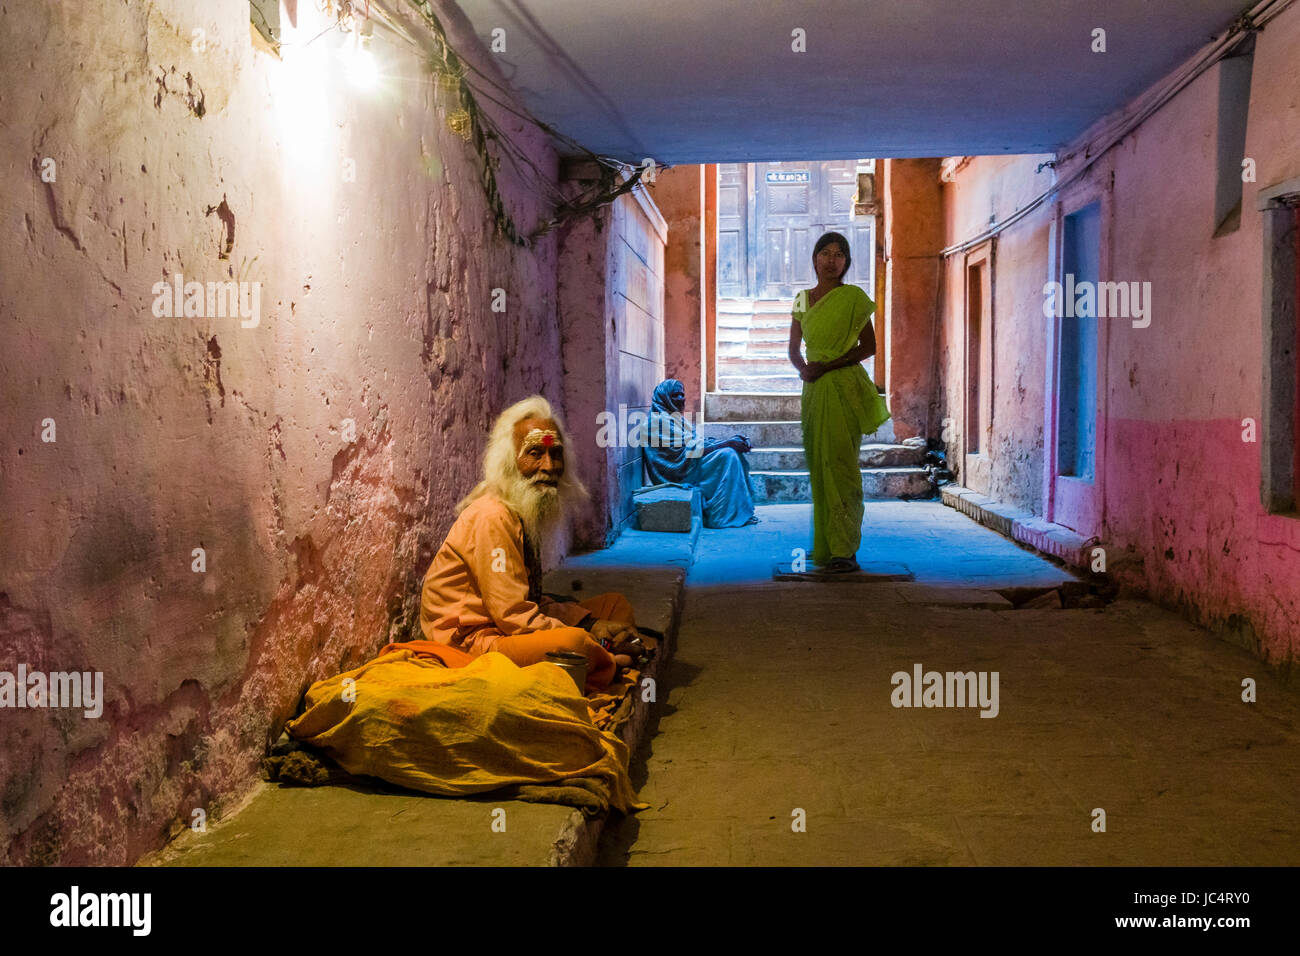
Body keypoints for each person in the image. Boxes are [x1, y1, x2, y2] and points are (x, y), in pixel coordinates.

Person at [418, 395, 648, 692]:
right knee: (574, 642)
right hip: (474, 644)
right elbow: (514, 617)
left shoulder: (522, 511)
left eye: (556, 454)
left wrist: (590, 622)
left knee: (614, 606)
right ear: (509, 461)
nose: (549, 466)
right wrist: (589, 635)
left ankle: (603, 662)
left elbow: (532, 602)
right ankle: (605, 660)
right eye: (535, 453)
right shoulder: (493, 517)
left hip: (508, 627)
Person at [787, 232, 891, 573]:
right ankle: (829, 545)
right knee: (820, 467)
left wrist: (828, 366)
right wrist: (804, 369)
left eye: (839, 254)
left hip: (844, 387)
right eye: (825, 253)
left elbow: (869, 346)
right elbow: (793, 349)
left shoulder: (853, 298)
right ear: (815, 258)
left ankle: (845, 550)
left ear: (846, 262)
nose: (831, 260)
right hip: (814, 391)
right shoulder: (802, 300)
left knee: (842, 466)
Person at [639, 379, 758, 528]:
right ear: (663, 397)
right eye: (675, 395)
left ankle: (736, 511)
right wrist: (726, 444)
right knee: (727, 455)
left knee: (731, 451)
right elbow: (687, 452)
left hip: (689, 463)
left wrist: (730, 441)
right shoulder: (657, 422)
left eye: (682, 394)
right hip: (678, 473)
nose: (681, 399)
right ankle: (721, 514)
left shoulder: (674, 418)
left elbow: (695, 443)